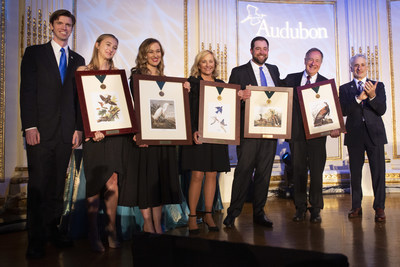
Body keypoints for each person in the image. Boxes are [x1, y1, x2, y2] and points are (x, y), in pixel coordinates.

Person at [20, 9, 85, 258]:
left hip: (66, 133)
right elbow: (27, 91)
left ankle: (52, 231)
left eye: (68, 25)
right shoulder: (35, 53)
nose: (64, 28)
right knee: (38, 185)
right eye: (60, 23)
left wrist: (78, 128)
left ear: (71, 28)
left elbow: (79, 99)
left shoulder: (78, 60)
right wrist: (30, 126)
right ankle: (35, 239)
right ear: (51, 26)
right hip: (40, 131)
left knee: (58, 185)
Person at [125, 38, 187, 233]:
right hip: (143, 141)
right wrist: (137, 134)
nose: (155, 55)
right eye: (150, 51)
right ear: (143, 54)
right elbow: (131, 109)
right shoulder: (135, 77)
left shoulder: (166, 80)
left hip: (164, 140)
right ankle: (147, 223)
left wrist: (183, 92)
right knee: (146, 181)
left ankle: (158, 224)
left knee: (159, 182)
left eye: (158, 51)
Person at [223, 36, 281, 228]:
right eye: (258, 49)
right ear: (251, 51)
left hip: (270, 133)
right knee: (243, 172)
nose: (262, 52)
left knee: (264, 174)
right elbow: (229, 99)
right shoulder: (238, 72)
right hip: (248, 133)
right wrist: (239, 95)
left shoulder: (274, 70)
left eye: (265, 49)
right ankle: (233, 213)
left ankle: (259, 213)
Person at [77, 34, 124, 252]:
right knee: (95, 183)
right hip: (92, 137)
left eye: (114, 47)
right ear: (97, 45)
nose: (111, 49)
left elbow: (122, 109)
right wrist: (88, 129)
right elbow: (77, 106)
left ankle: (111, 229)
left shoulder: (116, 76)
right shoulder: (82, 72)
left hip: (114, 136)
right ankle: (93, 232)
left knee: (113, 181)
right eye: (108, 45)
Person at [283, 48, 340, 223]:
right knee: (298, 172)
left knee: (316, 172)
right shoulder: (290, 79)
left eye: (317, 60)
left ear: (321, 63)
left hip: (317, 136)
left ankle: (315, 209)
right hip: (297, 135)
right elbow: (273, 94)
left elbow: (332, 110)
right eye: (310, 59)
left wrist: (335, 127)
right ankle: (300, 208)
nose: (313, 63)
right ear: (304, 60)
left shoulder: (326, 84)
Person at [181, 50, 230, 234]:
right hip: (198, 135)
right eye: (204, 61)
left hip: (217, 134)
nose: (208, 65)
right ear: (198, 64)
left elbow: (227, 109)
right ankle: (192, 216)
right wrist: (193, 129)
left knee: (212, 175)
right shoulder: (191, 83)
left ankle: (208, 215)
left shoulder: (222, 85)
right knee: (197, 175)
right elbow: (188, 109)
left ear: (215, 64)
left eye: (211, 61)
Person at [339, 54, 387, 222]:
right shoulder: (344, 89)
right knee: (355, 173)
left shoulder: (378, 86)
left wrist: (372, 96)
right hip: (355, 135)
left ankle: (379, 207)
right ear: (351, 68)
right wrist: (358, 99)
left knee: (379, 172)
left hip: (375, 135)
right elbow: (343, 110)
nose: (359, 68)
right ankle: (356, 206)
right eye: (356, 65)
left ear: (367, 67)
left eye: (362, 65)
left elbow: (381, 110)